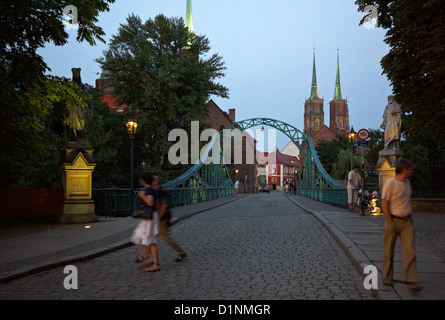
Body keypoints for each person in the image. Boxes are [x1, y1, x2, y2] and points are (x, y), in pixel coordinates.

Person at [381, 159, 421, 292]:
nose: (412, 171)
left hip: (407, 222)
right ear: (404, 169)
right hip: (393, 220)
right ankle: (387, 278)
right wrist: (390, 221)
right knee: (388, 251)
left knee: (410, 251)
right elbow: (384, 203)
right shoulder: (390, 184)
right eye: (411, 169)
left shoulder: (408, 182)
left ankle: (412, 281)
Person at [152, 174, 187, 262]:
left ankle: (181, 252)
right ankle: (147, 256)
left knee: (165, 236)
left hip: (163, 218)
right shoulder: (154, 190)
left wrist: (158, 217)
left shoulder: (160, 191)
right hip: (159, 217)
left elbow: (164, 205)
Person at [131, 171, 161, 272]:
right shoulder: (153, 189)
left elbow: (150, 202)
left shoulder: (148, 190)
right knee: (138, 237)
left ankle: (155, 263)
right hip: (150, 218)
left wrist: (142, 195)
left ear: (143, 180)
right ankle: (147, 256)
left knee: (151, 241)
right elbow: (157, 205)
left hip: (149, 219)